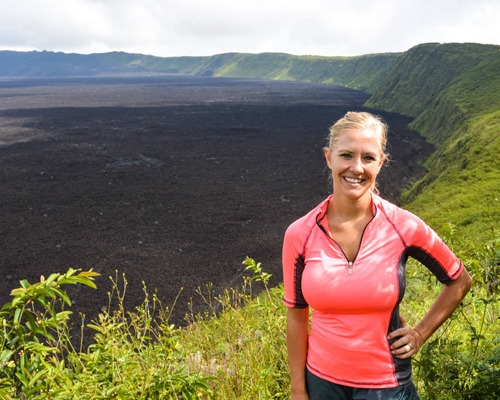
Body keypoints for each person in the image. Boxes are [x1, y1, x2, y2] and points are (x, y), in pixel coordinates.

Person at [282, 111, 472, 400]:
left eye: (368, 158)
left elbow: (459, 281)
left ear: (381, 163)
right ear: (328, 157)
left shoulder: (403, 226)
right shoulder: (300, 233)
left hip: (386, 385)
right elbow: (296, 315)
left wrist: (420, 333)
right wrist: (298, 389)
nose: (356, 167)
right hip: (320, 383)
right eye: (346, 155)